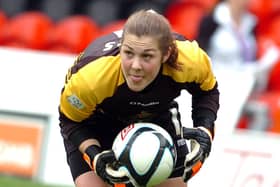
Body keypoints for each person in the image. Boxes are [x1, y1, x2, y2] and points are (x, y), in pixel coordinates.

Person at [58, 9, 220, 187]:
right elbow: (70, 120)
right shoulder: (92, 77)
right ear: (121, 48)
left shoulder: (190, 60)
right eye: (128, 53)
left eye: (147, 56)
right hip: (96, 123)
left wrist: (205, 129)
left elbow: (207, 91)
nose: (135, 66)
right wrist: (94, 155)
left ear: (166, 54)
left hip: (157, 118)